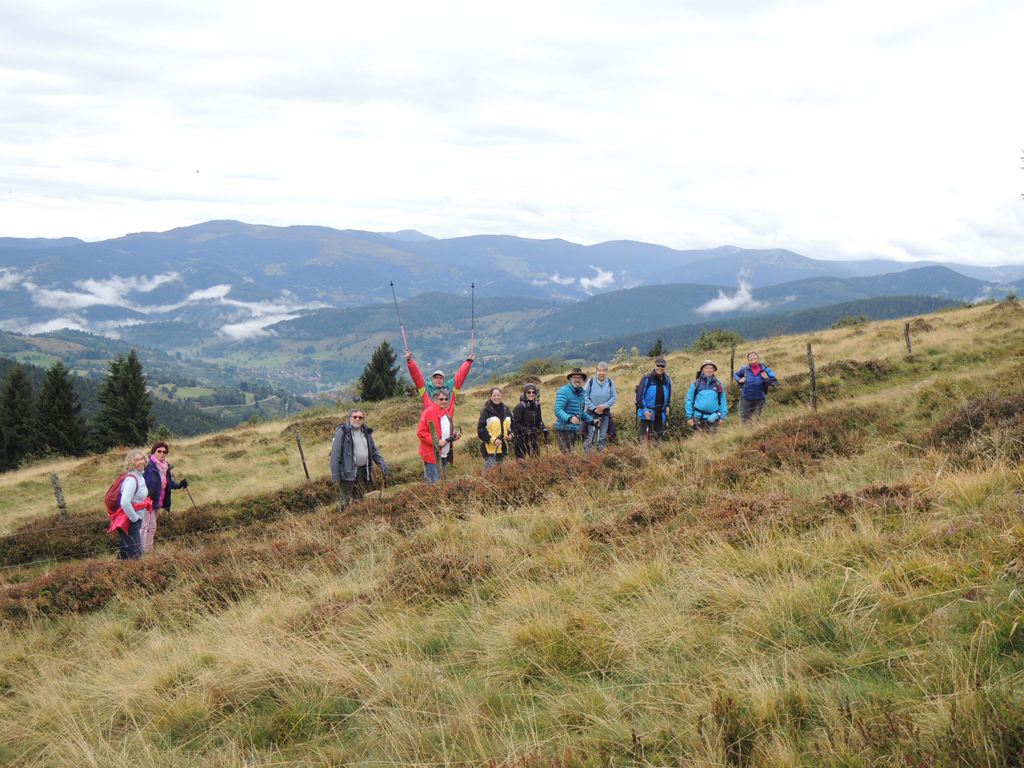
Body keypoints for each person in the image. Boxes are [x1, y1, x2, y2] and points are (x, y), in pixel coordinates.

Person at [330, 409, 391, 510]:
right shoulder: (342, 432)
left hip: (362, 471)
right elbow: (336, 454)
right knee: (344, 501)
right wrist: (336, 475)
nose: (357, 419)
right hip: (346, 472)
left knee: (359, 500)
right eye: (355, 417)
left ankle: (359, 518)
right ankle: (341, 520)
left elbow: (374, 451)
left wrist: (383, 466)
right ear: (350, 418)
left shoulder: (366, 432)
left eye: (360, 417)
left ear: (363, 419)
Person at [141, 441, 187, 554]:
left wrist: (179, 485)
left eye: (164, 452)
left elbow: (167, 483)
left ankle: (142, 548)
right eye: (159, 451)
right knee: (149, 527)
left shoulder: (165, 467)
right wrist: (146, 494)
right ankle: (146, 550)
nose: (161, 454)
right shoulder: (147, 465)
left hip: (157, 502)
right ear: (153, 451)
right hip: (146, 502)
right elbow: (138, 482)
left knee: (147, 527)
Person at [107, 449, 152, 560]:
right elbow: (125, 502)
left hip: (131, 520)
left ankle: (117, 574)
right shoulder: (132, 479)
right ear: (131, 463)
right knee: (136, 553)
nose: (141, 462)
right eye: (137, 460)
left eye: (142, 459)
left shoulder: (139, 476)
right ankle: (134, 575)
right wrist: (134, 519)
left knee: (125, 552)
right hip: (130, 521)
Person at [418, 389, 461, 485]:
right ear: (435, 400)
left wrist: (454, 436)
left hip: (444, 453)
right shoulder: (428, 412)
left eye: (446, 399)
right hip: (432, 454)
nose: (444, 401)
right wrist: (437, 441)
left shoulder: (446, 413)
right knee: (433, 483)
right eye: (441, 399)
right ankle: (428, 499)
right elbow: (421, 432)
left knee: (440, 481)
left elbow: (445, 431)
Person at [405, 350, 476, 407]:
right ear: (432, 379)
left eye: (440, 378)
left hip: (447, 422)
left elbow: (461, 374)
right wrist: (410, 361)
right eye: (436, 378)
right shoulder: (425, 388)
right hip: (431, 423)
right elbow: (416, 375)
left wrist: (469, 361)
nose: (438, 379)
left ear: (444, 380)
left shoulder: (451, 386)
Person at [555, 368, 598, 453]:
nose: (577, 379)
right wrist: (570, 418)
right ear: (570, 378)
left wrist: (591, 421)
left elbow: (581, 412)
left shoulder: (581, 393)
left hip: (574, 429)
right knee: (567, 455)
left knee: (570, 454)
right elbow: (558, 410)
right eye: (575, 377)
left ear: (582, 379)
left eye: (579, 377)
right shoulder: (563, 391)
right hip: (564, 429)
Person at [734, 350, 778, 422]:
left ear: (758, 357)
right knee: (745, 418)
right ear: (748, 360)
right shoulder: (745, 369)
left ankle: (754, 431)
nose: (752, 357)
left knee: (755, 418)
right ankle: (744, 432)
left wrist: (766, 378)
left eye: (754, 355)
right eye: (750, 357)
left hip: (759, 398)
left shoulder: (764, 370)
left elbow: (766, 386)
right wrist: (739, 380)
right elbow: (736, 374)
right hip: (746, 397)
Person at [686, 360, 728, 434]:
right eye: (707, 368)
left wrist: (722, 417)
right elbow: (689, 400)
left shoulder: (719, 385)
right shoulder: (696, 384)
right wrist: (689, 417)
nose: (709, 370)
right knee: (698, 441)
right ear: (703, 370)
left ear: (714, 370)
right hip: (697, 417)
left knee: (712, 443)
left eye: (711, 368)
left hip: (713, 417)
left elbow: (723, 401)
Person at [636, 357, 672, 442]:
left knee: (658, 438)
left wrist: (667, 406)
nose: (660, 368)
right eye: (658, 365)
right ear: (654, 366)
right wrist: (644, 410)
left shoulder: (667, 380)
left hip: (660, 414)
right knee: (645, 439)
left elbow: (669, 395)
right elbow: (639, 396)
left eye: (662, 366)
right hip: (648, 414)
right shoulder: (647, 379)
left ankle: (657, 454)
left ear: (665, 367)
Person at [583, 362, 616, 453]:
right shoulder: (590, 382)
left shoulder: (610, 382)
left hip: (605, 414)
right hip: (592, 414)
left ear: (607, 371)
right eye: (599, 370)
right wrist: (595, 408)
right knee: (591, 435)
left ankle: (601, 457)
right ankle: (588, 456)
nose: (601, 373)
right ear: (596, 371)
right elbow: (585, 397)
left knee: (602, 436)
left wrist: (604, 406)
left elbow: (613, 397)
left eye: (604, 370)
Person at [477, 387, 513, 469]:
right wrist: (494, 440)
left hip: (502, 448)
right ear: (490, 397)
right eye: (494, 395)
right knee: (489, 474)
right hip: (489, 449)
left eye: (498, 395)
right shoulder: (485, 411)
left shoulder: (507, 410)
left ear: (501, 396)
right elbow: (481, 430)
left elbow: (513, 425)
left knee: (499, 475)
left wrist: (511, 434)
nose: (496, 397)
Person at [511, 383, 547, 459]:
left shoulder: (537, 405)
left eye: (533, 392)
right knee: (522, 462)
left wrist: (542, 428)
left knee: (536, 459)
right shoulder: (520, 407)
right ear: (525, 393)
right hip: (521, 438)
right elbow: (515, 423)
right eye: (529, 392)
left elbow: (539, 421)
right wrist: (524, 430)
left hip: (533, 436)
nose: (531, 394)